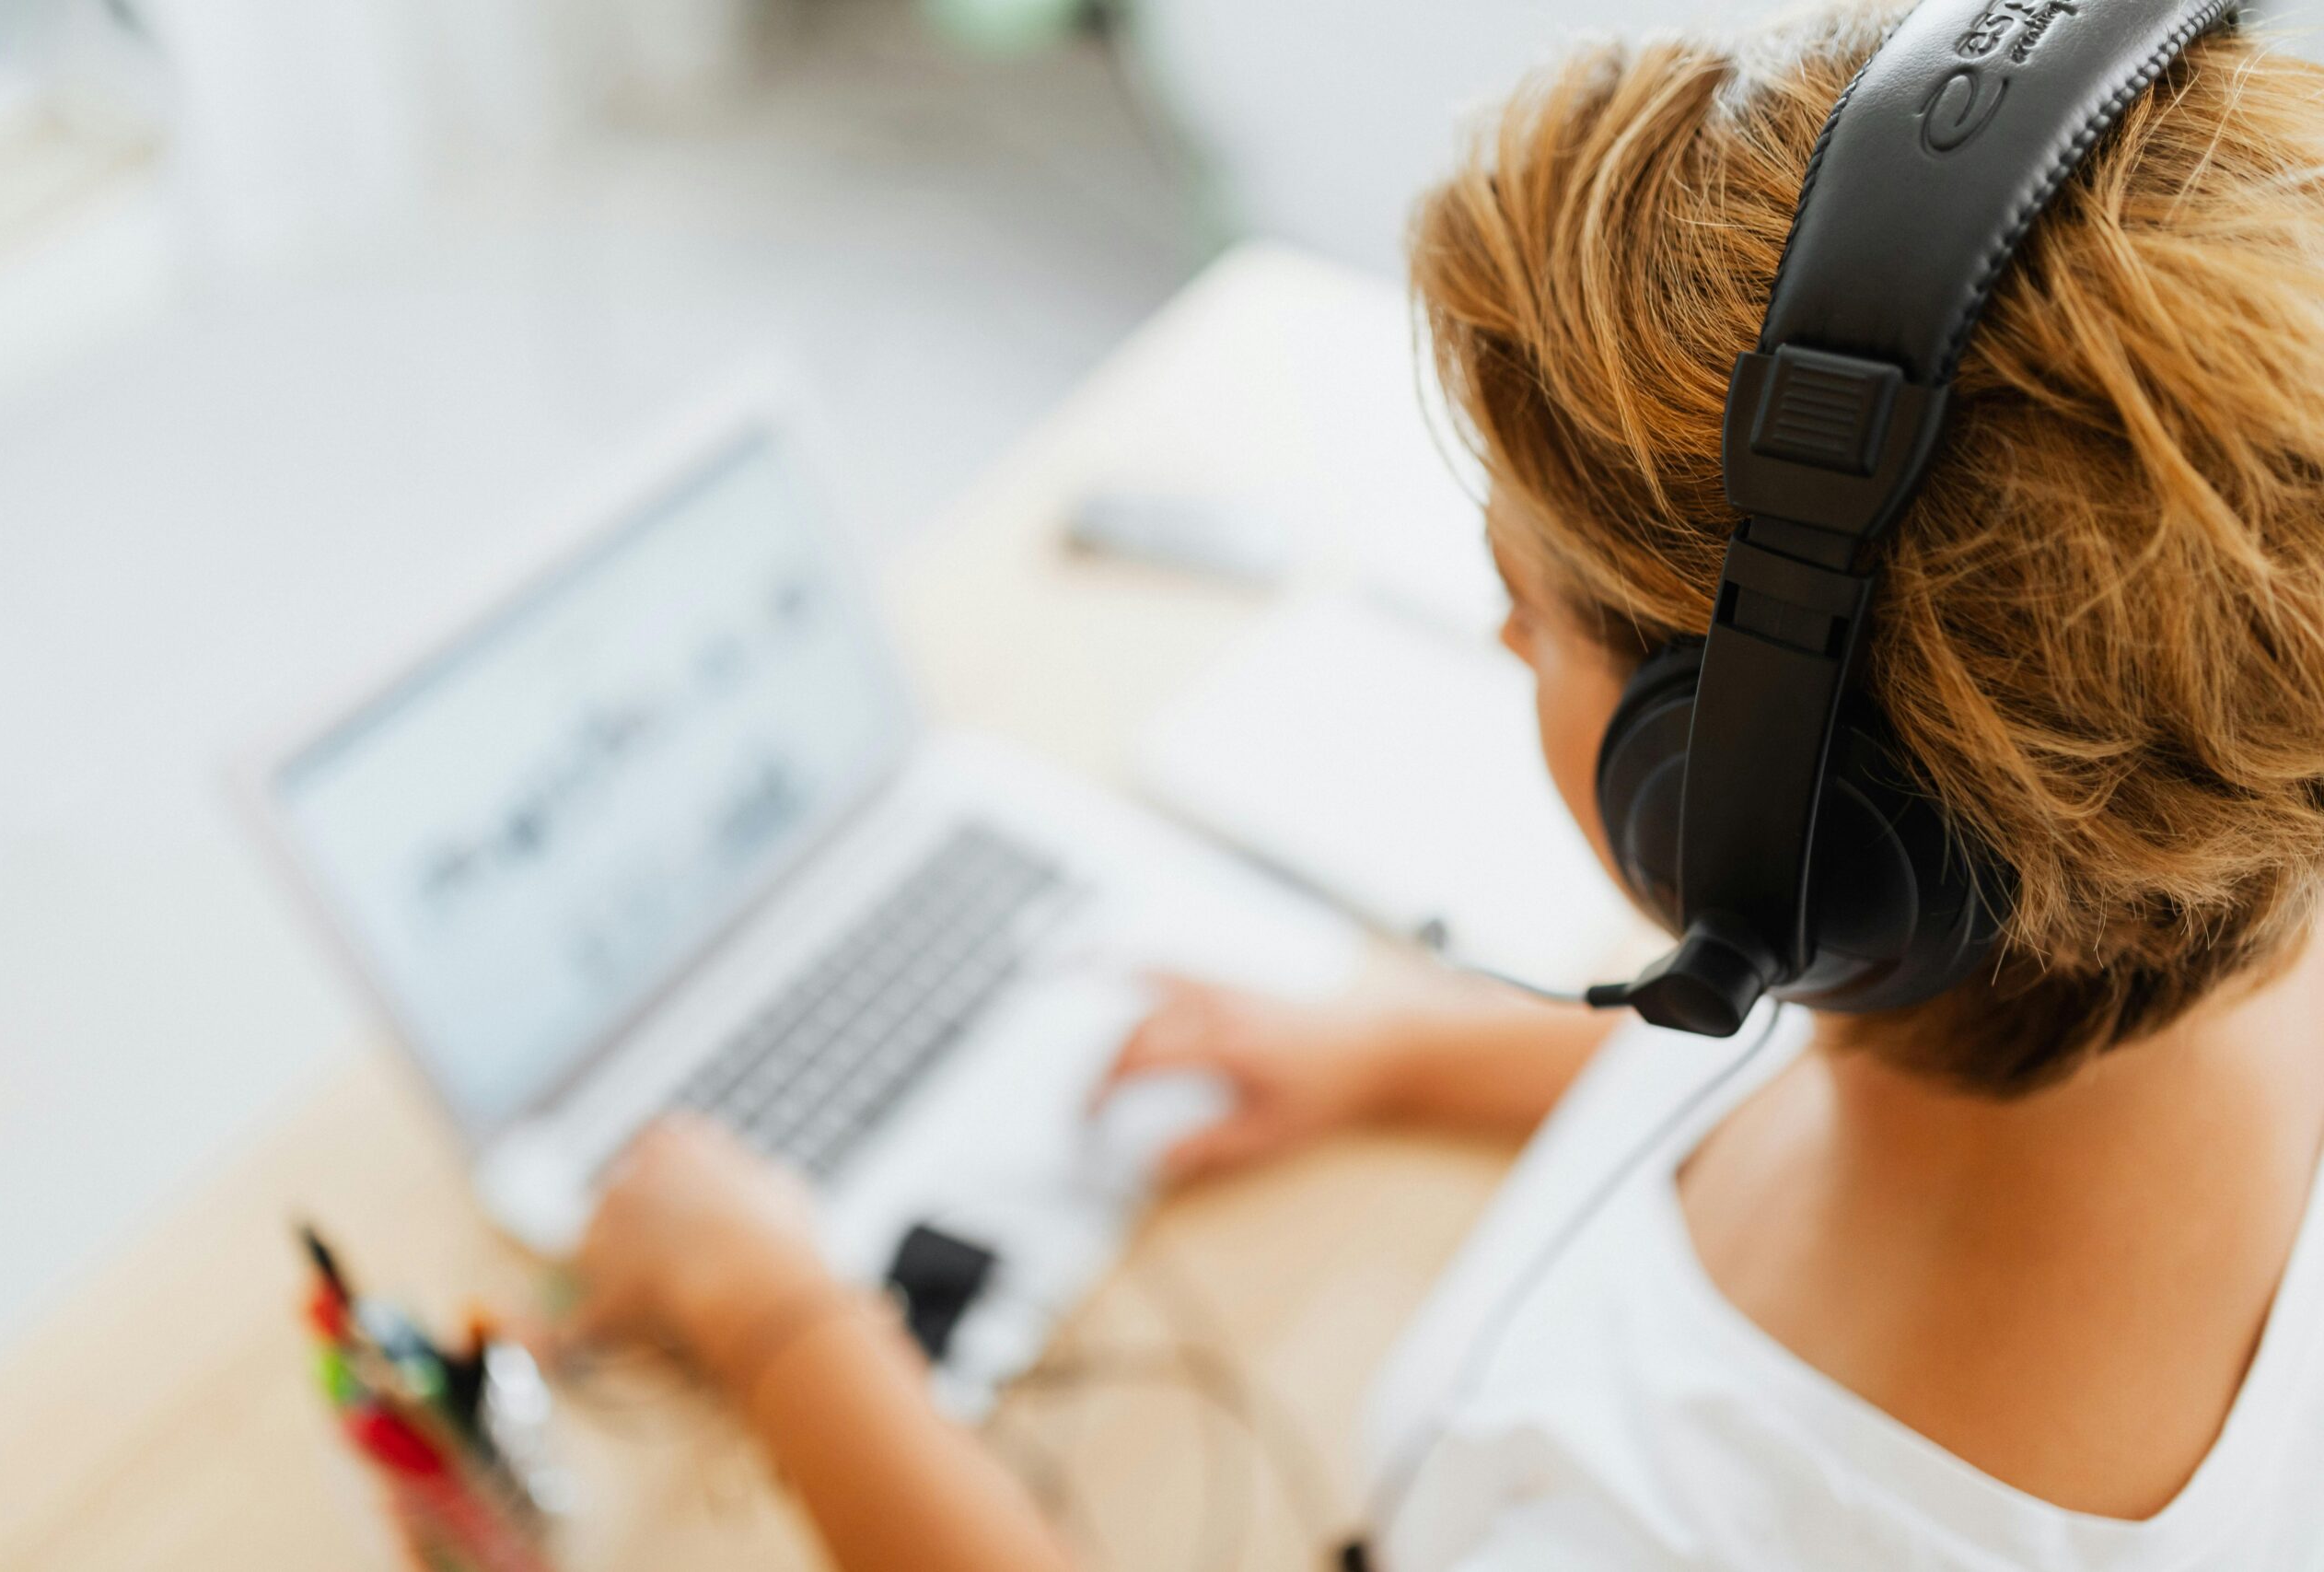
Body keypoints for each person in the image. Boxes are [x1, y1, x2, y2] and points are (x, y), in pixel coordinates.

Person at [564, 5, 2324, 1566]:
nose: (1499, 635)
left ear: (1760, 813)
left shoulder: (1676, 1526)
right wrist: (1394, 1049)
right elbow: (1785, 1076)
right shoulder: (2210, 869)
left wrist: (779, 1322)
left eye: (1530, 606)